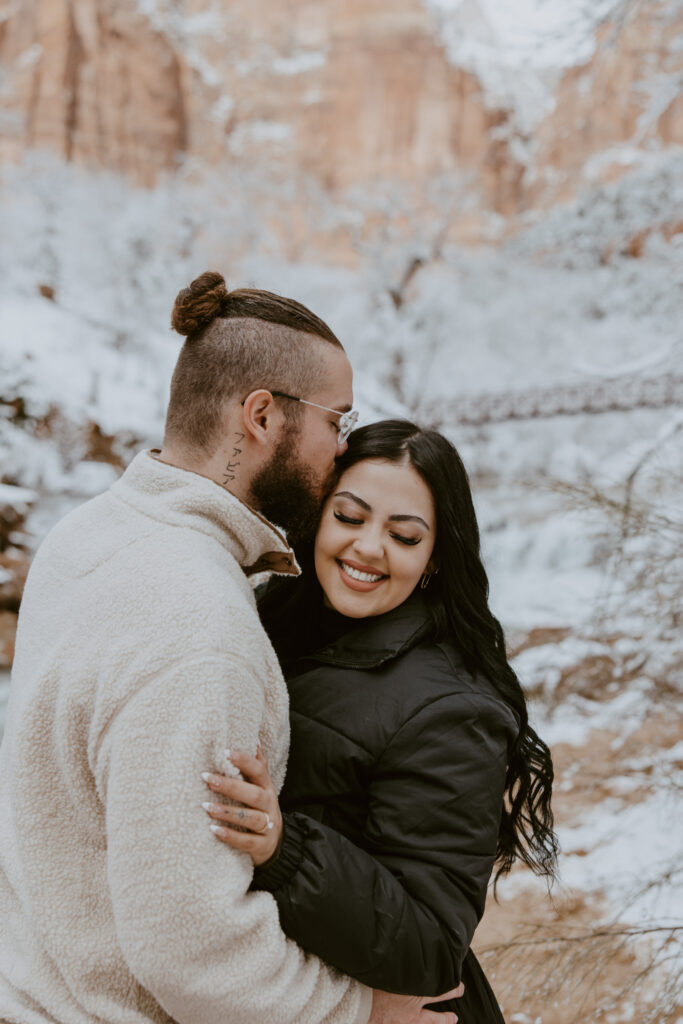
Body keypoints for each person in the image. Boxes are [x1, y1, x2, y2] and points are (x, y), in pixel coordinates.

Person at [0, 274, 460, 1024]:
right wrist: (360, 1011)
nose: (341, 446)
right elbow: (191, 947)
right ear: (261, 415)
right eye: (336, 420)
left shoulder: (85, 533)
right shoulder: (201, 627)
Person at [200, 419, 559, 1023]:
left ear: (436, 557)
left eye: (404, 535)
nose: (369, 547)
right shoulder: (269, 616)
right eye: (349, 517)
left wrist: (286, 848)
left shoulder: (453, 709)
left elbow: (431, 944)